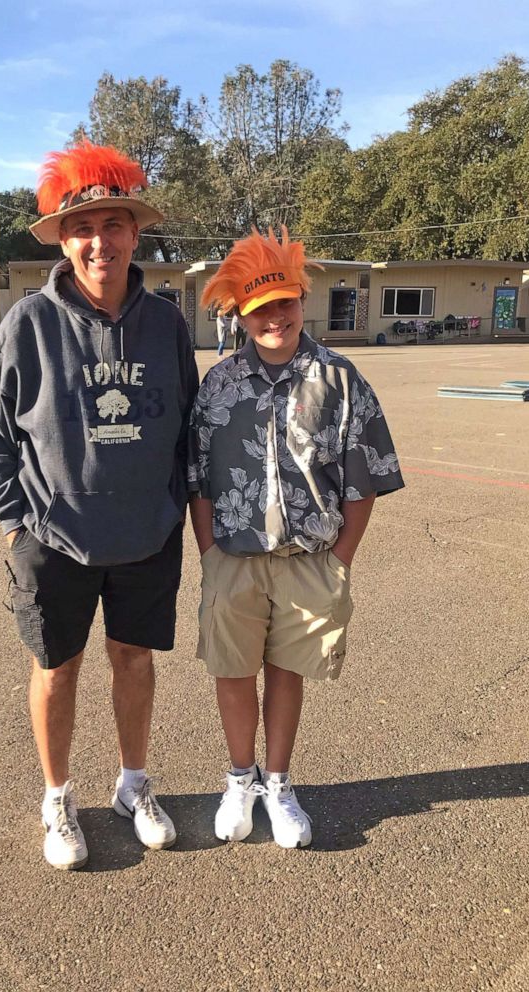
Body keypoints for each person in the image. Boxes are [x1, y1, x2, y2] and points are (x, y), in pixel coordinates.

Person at [0, 141, 199, 870]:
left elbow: (191, 430)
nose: (99, 240)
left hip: (146, 533)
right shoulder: (28, 324)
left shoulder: (166, 326)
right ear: (65, 240)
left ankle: (134, 786)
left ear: (135, 232)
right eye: (82, 227)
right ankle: (58, 797)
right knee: (57, 668)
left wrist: (183, 515)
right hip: (53, 537)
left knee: (133, 660)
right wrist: (15, 523)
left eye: (113, 224)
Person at [187, 227, 404, 849]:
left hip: (311, 558)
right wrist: (207, 552)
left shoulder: (339, 379)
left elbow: (364, 479)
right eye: (259, 308)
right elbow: (197, 477)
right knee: (232, 669)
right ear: (242, 314)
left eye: (283, 302)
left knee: (287, 670)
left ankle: (278, 784)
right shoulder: (219, 385)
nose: (274, 317)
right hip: (233, 557)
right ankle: (239, 779)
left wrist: (340, 561)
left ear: (299, 300)